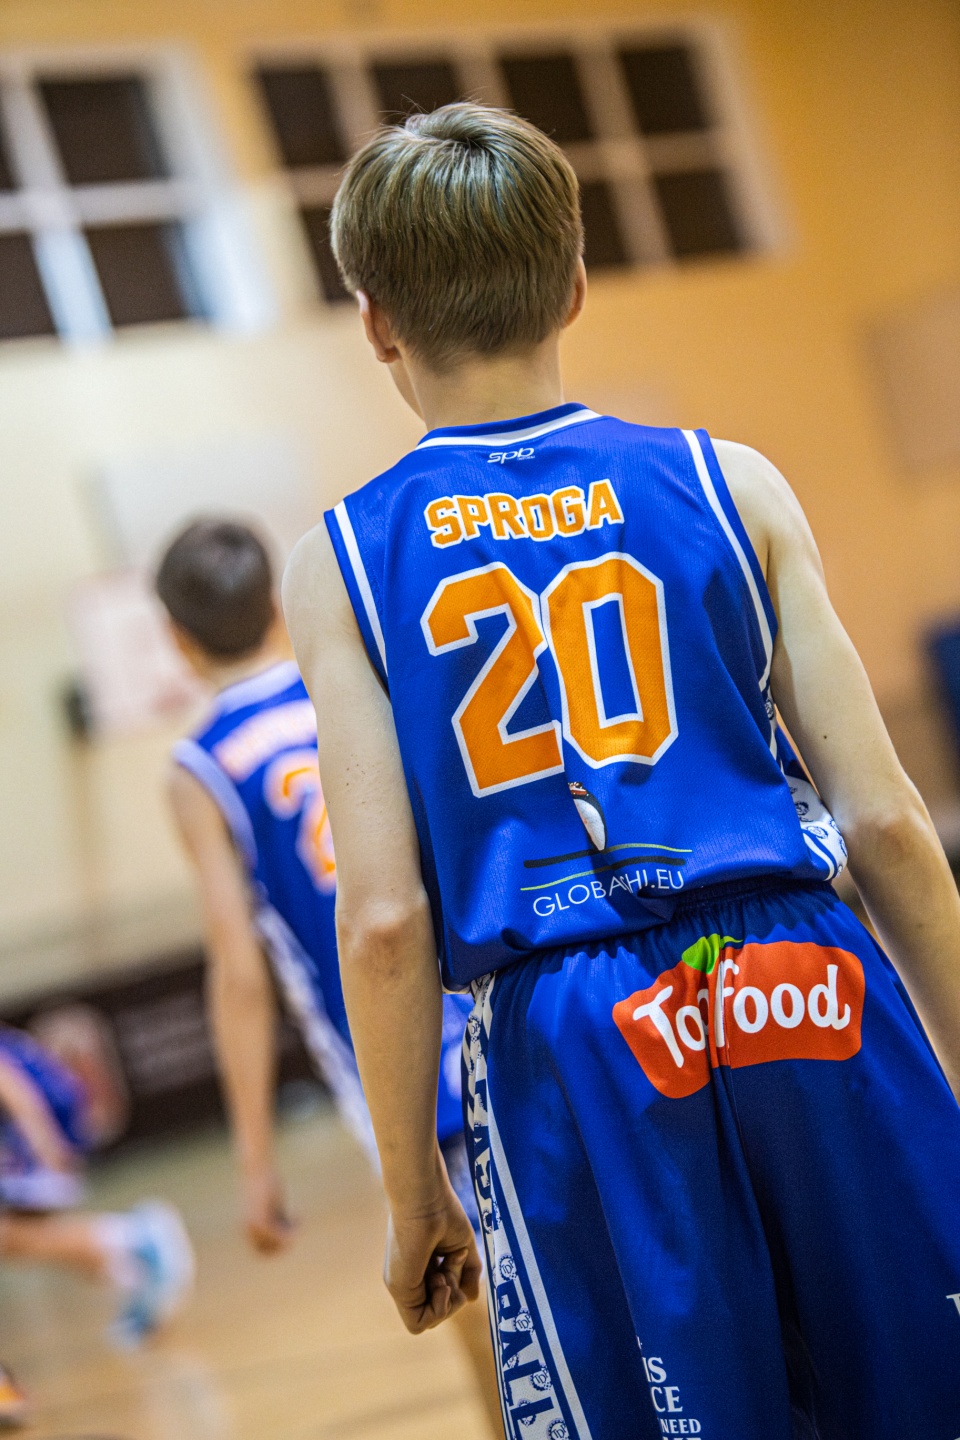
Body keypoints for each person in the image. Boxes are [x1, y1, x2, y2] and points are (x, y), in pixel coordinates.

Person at [281, 102, 960, 1439]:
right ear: (577, 284)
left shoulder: (345, 560)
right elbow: (884, 818)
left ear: (376, 322)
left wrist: (417, 1192)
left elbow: (385, 919)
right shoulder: (730, 482)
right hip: (801, 973)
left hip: (573, 1027)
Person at [158, 520, 501, 1435]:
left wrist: (255, 1160)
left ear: (177, 639)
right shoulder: (352, 683)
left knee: (467, 1295)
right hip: (497, 999)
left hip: (393, 1053)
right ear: (277, 605)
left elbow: (239, 974)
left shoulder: (201, 767)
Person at [0, 1023, 193, 1355]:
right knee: (23, 1235)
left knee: (12, 1236)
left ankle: (137, 1238)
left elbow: (9, 1082)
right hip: (40, 1113)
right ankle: (136, 1274)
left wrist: (43, 1140)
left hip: (38, 1117)